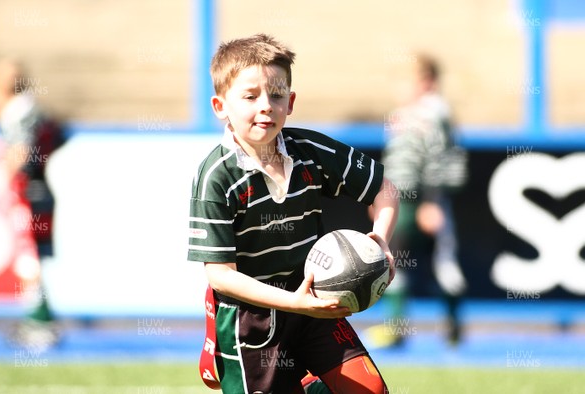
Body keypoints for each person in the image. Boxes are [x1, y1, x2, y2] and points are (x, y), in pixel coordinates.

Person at [188, 34, 399, 394]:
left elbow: (385, 189)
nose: (266, 106)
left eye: (277, 94)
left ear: (291, 102)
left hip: (313, 298)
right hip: (248, 317)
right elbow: (221, 277)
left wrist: (379, 239)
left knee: (369, 391)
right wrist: (294, 303)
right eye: (250, 96)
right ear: (220, 105)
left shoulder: (311, 151)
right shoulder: (216, 177)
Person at [371, 54, 468, 347]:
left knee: (443, 261)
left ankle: (452, 328)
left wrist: (432, 200)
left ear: (426, 81)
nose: (400, 88)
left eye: (406, 80)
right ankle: (397, 328)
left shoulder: (434, 114)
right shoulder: (406, 114)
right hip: (400, 197)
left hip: (423, 200)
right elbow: (399, 161)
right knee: (392, 259)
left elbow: (441, 160)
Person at [0, 58, 66, 350]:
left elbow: (19, 154)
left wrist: (6, 172)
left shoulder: (16, 112)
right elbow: (57, 136)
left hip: (27, 194)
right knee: (35, 258)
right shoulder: (34, 109)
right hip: (41, 192)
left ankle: (40, 323)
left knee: (27, 259)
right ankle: (41, 319)